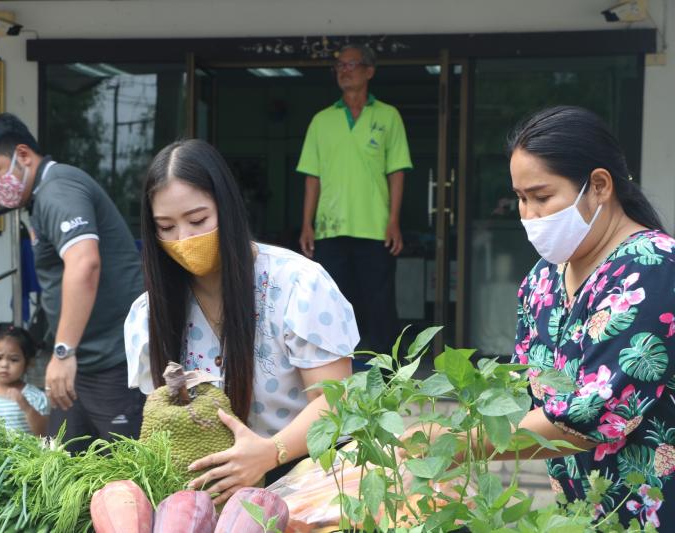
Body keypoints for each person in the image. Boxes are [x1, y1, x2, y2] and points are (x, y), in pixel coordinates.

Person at [404, 106, 675, 528]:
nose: (528, 214)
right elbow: (538, 405)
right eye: (520, 198)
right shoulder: (543, 279)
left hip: (648, 512)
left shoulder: (653, 267)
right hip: (577, 514)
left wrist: (459, 444)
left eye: (542, 197)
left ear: (599, 186)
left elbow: (591, 417)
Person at [124, 139, 359, 504]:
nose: (183, 239)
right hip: (206, 498)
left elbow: (337, 404)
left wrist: (271, 452)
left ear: (228, 208)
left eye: (198, 220)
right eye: (165, 227)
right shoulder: (150, 312)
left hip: (305, 481)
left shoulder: (297, 285)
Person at [0, 113, 145, 451]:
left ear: (23, 155)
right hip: (85, 364)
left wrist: (63, 352)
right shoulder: (42, 198)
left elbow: (85, 262)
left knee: (127, 471)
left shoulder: (57, 190)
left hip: (110, 360)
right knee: (64, 466)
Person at [297, 43, 412, 355]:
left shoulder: (388, 116)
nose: (344, 71)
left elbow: (397, 172)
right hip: (329, 229)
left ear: (369, 71)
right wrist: (307, 224)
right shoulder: (321, 120)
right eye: (339, 67)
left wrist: (393, 222)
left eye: (351, 65)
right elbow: (312, 177)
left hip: (375, 228)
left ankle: (391, 379)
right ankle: (337, 377)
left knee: (380, 305)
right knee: (331, 307)